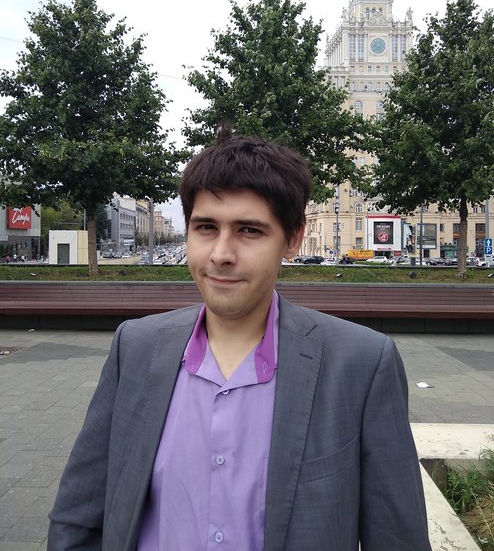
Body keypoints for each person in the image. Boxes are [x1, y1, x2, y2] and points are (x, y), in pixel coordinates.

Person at [48, 135, 431, 550]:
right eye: (206, 227)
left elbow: (398, 539)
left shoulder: (360, 365)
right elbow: (77, 518)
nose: (221, 254)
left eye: (249, 230)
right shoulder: (135, 349)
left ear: (293, 238)